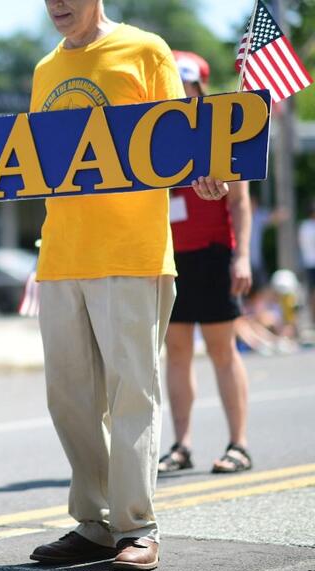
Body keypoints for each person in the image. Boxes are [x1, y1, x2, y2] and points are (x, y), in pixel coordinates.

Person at [21, 0, 226, 571]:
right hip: (61, 253)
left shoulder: (146, 50)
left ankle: (137, 526)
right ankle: (94, 523)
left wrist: (205, 167)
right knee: (69, 397)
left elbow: (181, 139)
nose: (56, 4)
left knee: (132, 390)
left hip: (132, 251)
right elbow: (34, 160)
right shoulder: (44, 71)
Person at [158, 51, 254, 477]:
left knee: (222, 349)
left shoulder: (223, 134)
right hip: (171, 258)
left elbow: (241, 202)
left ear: (201, 86)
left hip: (215, 254)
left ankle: (239, 444)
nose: (180, 94)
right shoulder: (155, 137)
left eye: (186, 86)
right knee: (176, 353)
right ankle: (182, 445)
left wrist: (243, 256)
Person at [298, 201, 315, 325]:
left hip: (309, 263)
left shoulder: (304, 226)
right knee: (312, 294)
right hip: (311, 263)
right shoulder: (308, 227)